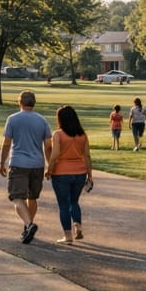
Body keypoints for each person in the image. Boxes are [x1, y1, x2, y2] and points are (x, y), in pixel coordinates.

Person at [0, 90, 52, 244]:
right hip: (37, 164)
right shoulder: (42, 121)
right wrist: (50, 166)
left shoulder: (13, 119)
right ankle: (27, 226)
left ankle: (29, 224)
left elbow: (7, 143)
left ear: (20, 102)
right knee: (32, 197)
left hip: (18, 163)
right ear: (34, 102)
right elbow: (48, 146)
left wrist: (1, 162)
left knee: (16, 197)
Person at [45, 105, 93, 244]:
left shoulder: (58, 134)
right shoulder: (82, 135)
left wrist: (50, 170)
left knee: (63, 205)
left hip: (61, 172)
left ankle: (68, 236)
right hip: (80, 172)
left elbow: (54, 156)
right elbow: (87, 156)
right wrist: (90, 175)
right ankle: (78, 225)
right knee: (74, 201)